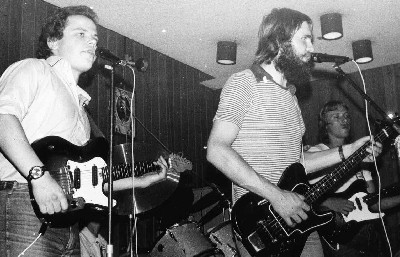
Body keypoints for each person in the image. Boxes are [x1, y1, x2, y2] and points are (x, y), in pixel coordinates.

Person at [206, 8, 382, 257]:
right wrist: (277, 196)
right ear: (279, 41)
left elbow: (299, 164)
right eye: (305, 39)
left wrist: (349, 151)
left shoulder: (291, 98)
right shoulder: (243, 83)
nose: (311, 48)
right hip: (261, 223)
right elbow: (216, 150)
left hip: (301, 219)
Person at [0, 5, 168, 257]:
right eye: (81, 34)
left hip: (69, 220)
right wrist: (39, 177)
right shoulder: (34, 69)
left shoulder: (81, 106)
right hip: (25, 205)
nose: (92, 41)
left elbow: (89, 180)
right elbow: (2, 117)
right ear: (54, 41)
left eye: (95, 38)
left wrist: (140, 181)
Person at [308, 100, 400, 257]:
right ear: (325, 124)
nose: (344, 120)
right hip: (338, 238)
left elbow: (372, 204)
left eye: (346, 116)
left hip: (369, 235)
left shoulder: (363, 156)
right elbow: (299, 195)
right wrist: (328, 202)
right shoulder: (315, 153)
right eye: (337, 116)